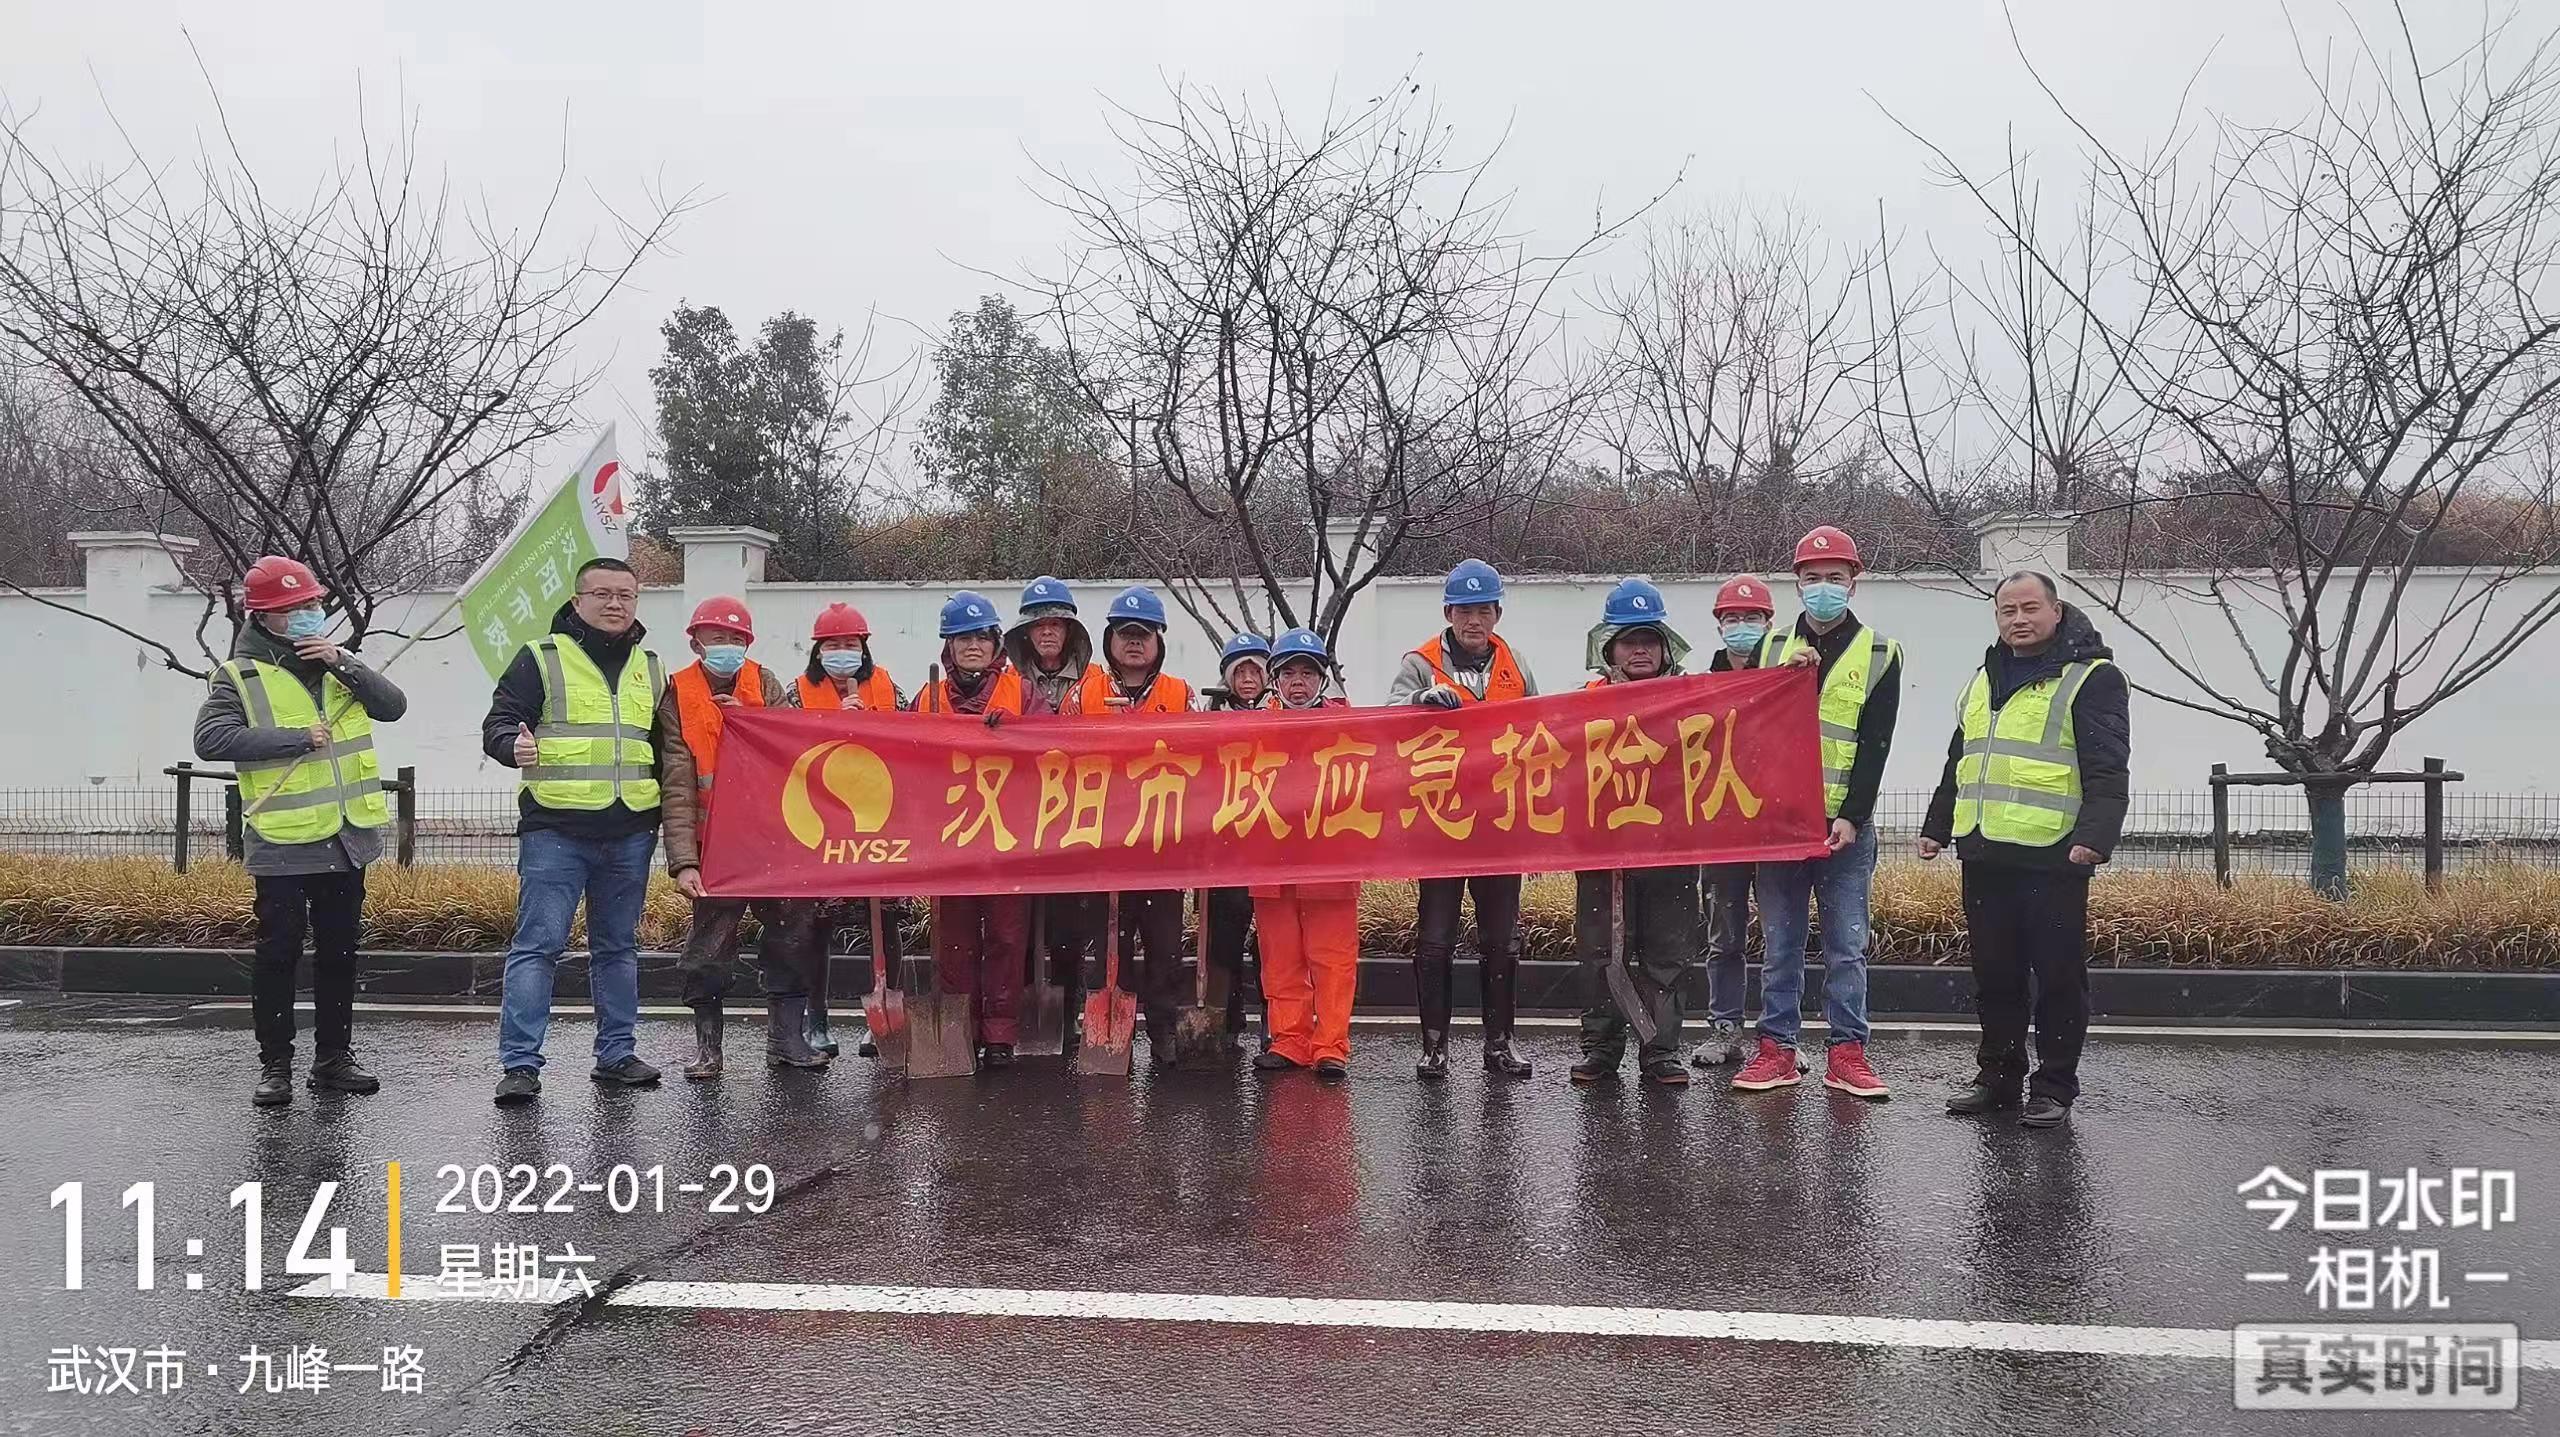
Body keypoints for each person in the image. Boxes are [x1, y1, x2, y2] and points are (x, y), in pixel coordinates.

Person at [192, 556, 408, 1108]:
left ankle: (334, 1058)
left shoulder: (340, 665)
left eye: (313, 604)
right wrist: (292, 738)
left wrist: (343, 662)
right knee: (278, 953)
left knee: (340, 953)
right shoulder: (239, 675)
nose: (310, 614)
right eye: (295, 609)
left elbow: (393, 706)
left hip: (347, 837)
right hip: (283, 839)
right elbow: (212, 740)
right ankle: (276, 1064)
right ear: (264, 618)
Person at [1920, 573, 2129, 1129]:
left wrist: (2094, 838)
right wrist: (1937, 827)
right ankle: (1999, 1077)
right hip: (1985, 847)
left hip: (2054, 852)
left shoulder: (2094, 678)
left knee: (2057, 976)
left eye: (2030, 607)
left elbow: (2108, 769)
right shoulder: (1983, 678)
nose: (2019, 619)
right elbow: (1959, 759)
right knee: (1996, 975)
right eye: (2007, 610)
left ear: (2056, 611)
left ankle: (2055, 1084)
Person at [483, 557, 666, 1107]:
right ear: (578, 600)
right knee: (537, 947)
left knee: (618, 948)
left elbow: (667, 748)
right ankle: (520, 1065)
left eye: (626, 596)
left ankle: (616, 1055)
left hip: (631, 829)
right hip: (556, 829)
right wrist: (508, 746)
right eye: (604, 594)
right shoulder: (541, 658)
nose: (616, 604)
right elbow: (497, 723)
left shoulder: (651, 667)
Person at [1734, 525, 1901, 1100]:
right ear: (1796, 584)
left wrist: (1853, 814)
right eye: (1812, 579)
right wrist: (1786, 679)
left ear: (1855, 582)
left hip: (1843, 826)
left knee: (1846, 945)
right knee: (1779, 943)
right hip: (1781, 825)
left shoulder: (1881, 652)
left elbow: (1875, 743)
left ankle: (1847, 1051)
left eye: (1835, 578)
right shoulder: (1771, 647)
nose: (1823, 588)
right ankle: (1776, 1049)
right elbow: (1749, 731)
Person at [657, 596, 827, 1081]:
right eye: (718, 638)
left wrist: (746, 717)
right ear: (696, 642)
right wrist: (684, 861)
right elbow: (677, 783)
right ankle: (709, 1050)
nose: (728, 647)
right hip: (716, 850)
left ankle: (787, 1042)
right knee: (709, 948)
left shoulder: (765, 683)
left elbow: (789, 752)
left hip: (773, 844)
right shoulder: (679, 693)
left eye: (737, 639)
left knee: (793, 939)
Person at [1386, 558, 1536, 1080]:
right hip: (1440, 822)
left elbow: (1539, 738)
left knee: (1501, 937)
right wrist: (1416, 701)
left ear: (1497, 613)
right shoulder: (1420, 663)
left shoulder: (1515, 665)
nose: (1474, 619)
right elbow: (1387, 725)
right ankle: (1435, 1046)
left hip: (1499, 825)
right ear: (1449, 612)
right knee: (1435, 936)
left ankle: (1501, 1042)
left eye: (1483, 609)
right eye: (1464, 610)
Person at [1569, 579, 1703, 1089]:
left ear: (1665, 646)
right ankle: (1601, 1048)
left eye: (1649, 638)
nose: (1639, 649)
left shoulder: (1693, 698)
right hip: (1603, 851)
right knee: (1602, 950)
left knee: (1668, 951)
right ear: (1610, 648)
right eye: (1628, 640)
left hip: (1672, 847)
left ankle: (1660, 1051)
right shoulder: (1582, 704)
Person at [1075, 585, 1196, 1065]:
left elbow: (1202, 762)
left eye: (1142, 635)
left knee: (1165, 947)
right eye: (1125, 634)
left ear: (1158, 641)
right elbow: (1054, 758)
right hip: (1101, 847)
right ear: (1110, 639)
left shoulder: (1180, 694)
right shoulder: (1084, 694)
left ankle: (1163, 1032)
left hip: (1161, 844)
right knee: (1108, 945)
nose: (1133, 644)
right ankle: (1110, 1033)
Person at [913, 592, 1030, 1067]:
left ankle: (1000, 1035)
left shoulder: (1021, 692)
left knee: (1006, 937)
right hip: (952, 838)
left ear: (997, 642)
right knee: (955, 938)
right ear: (949, 645)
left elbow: (1053, 747)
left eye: (983, 637)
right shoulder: (930, 696)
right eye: (965, 638)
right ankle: (958, 1031)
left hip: (1009, 838)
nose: (975, 646)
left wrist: (1018, 729)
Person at [1250, 628, 1361, 1085]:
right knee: (1280, 957)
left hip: (1329, 856)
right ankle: (1289, 1039)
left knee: (1332, 957)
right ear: (1275, 678)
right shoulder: (1253, 725)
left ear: (1322, 679)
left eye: (1308, 673)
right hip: (1270, 856)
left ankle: (1331, 1044)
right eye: (1289, 672)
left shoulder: (1350, 723)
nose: (1299, 682)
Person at [797, 601, 903, 1058]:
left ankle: (881, 1012)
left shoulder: (886, 687)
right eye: (833, 645)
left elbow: (913, 743)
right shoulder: (795, 691)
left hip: (878, 819)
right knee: (815, 924)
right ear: (818, 650)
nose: (843, 652)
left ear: (864, 648)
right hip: (820, 822)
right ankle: (815, 1017)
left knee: (887, 918)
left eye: (851, 644)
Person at [1004, 576, 1105, 1043]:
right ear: (1025, 632)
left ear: (1070, 633)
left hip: (1075, 816)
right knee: (1021, 922)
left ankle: (1068, 1012)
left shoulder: (1094, 683)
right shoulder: (1004, 683)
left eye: (1056, 624)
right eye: (1039, 624)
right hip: (1015, 817)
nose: (1047, 632)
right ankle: (1018, 1012)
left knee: (1068, 921)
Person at [1690, 575, 1774, 1070]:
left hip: (1775, 827)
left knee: (1780, 939)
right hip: (1723, 826)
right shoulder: (1702, 686)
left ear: (1769, 623)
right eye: (1733, 619)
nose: (1742, 627)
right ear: (1720, 626)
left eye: (1752, 618)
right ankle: (1723, 1028)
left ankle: (1779, 1035)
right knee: (1724, 936)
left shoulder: (1787, 675)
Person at [1202, 633, 1274, 1045]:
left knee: (1269, 939)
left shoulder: (1283, 713)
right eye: (1239, 671)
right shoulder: (1208, 717)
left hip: (1268, 842)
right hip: (1225, 845)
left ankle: (1272, 1012)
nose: (1248, 678)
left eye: (1255, 670)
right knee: (1223, 939)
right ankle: (1226, 1016)